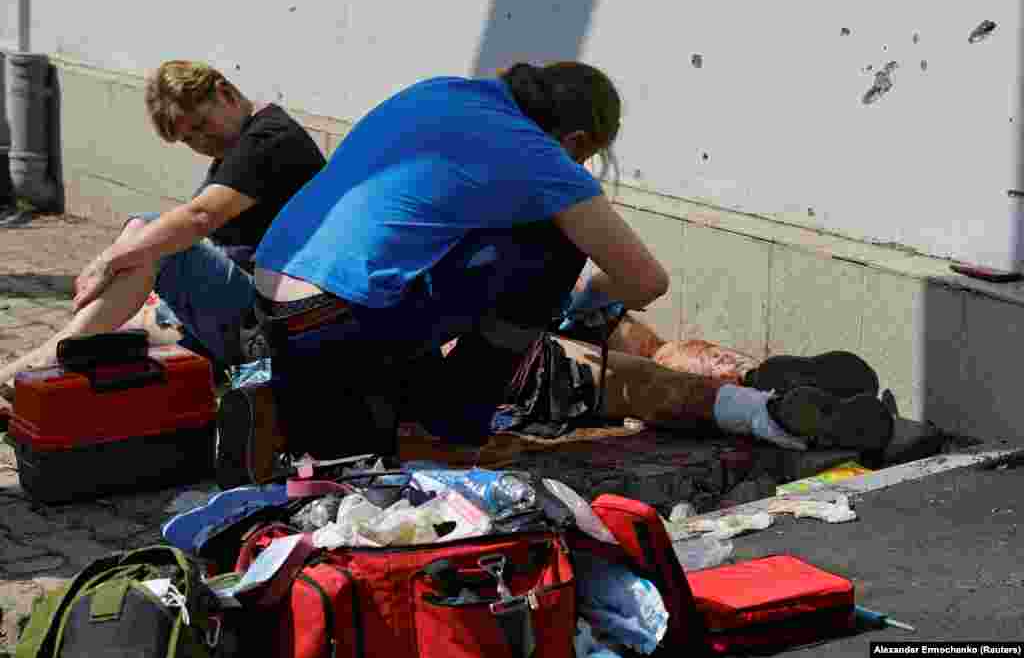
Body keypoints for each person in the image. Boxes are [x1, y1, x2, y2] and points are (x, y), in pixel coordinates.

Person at [214, 61, 891, 485]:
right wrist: (587, 300)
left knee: (576, 362)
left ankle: (756, 404)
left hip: (283, 300)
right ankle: (452, 430)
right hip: (352, 318)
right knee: (560, 260)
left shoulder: (448, 91)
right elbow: (645, 281)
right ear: (573, 143)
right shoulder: (536, 154)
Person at [0, 60, 326, 390]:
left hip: (274, 326)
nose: (201, 142)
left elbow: (198, 219)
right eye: (188, 139)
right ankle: (20, 375)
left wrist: (108, 261)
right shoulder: (237, 146)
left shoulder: (270, 140)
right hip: (239, 313)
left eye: (201, 125)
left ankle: (42, 364)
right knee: (109, 337)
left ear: (224, 92)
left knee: (157, 237)